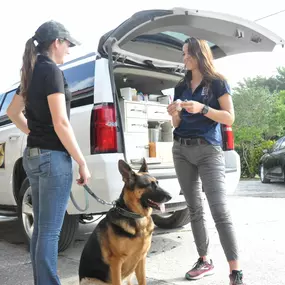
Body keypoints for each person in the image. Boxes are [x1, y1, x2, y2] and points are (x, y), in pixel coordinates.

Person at [7, 20, 91, 285]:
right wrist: (81, 160)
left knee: (42, 231)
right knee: (49, 232)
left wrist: (32, 131)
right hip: (53, 158)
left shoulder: (31, 72)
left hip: (33, 157)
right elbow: (61, 122)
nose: (68, 50)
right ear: (56, 42)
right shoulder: (52, 72)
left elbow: (12, 112)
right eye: (67, 44)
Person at [167, 37, 245, 285]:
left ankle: (236, 272)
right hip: (181, 149)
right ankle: (204, 260)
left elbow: (229, 118)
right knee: (194, 209)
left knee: (219, 211)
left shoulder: (217, 82)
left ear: (200, 54)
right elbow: (176, 124)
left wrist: (202, 108)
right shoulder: (181, 86)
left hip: (208, 150)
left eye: (187, 53)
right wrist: (174, 113)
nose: (184, 58)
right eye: (183, 54)